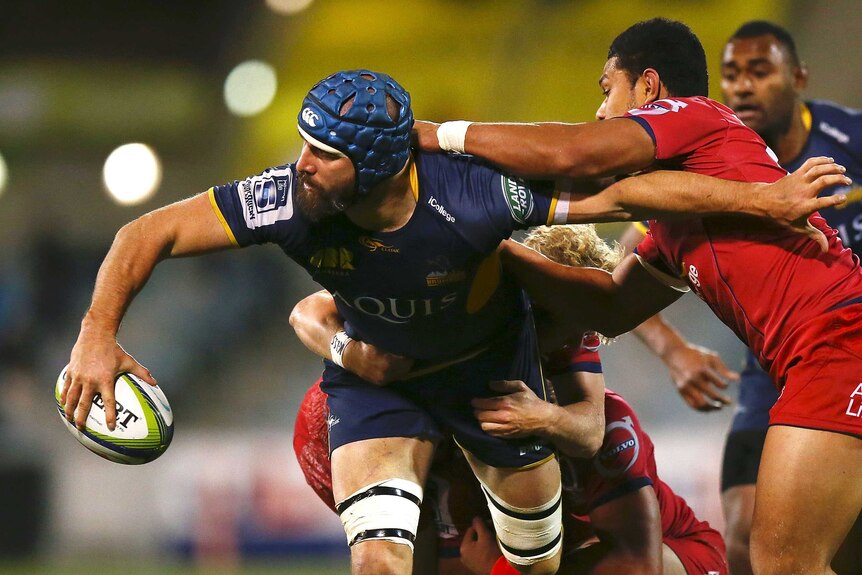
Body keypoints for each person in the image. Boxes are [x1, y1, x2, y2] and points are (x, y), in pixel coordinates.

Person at [59, 68, 841, 575]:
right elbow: (146, 232)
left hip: (492, 385)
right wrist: (97, 335)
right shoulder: (288, 202)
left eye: (321, 153)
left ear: (372, 167)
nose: (300, 166)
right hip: (382, 395)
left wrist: (759, 198)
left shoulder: (473, 197)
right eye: (303, 146)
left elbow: (618, 200)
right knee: (379, 563)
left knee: (531, 562)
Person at [415, 17, 862, 575]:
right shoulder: (676, 224)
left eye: (607, 90)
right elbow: (610, 306)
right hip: (820, 352)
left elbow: (575, 153)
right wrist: (500, 252)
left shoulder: (698, 114)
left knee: (783, 561)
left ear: (648, 89)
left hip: (838, 342)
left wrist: (439, 135)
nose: (602, 111)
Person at [291, 224, 728, 575]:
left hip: (674, 555)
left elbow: (634, 562)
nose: (584, 337)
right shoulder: (475, 308)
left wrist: (544, 418)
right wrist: (349, 351)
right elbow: (308, 310)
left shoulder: (576, 353)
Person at [616, 20, 862, 574]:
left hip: (838, 337)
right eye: (731, 75)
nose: (743, 86)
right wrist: (672, 349)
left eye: (759, 71)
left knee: (798, 549)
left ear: (798, 77)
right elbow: (630, 258)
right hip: (772, 364)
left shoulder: (849, 139)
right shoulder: (705, 157)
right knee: (749, 532)